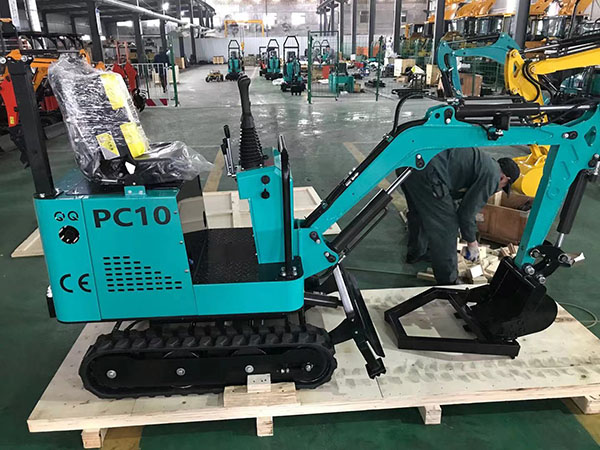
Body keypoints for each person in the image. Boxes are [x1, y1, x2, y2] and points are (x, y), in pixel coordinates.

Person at [400, 148, 520, 285]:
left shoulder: (482, 162)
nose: (498, 189)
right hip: (429, 172)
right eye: (503, 186)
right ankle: (449, 281)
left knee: (420, 212)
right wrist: (471, 242)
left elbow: (456, 197)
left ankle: (417, 252)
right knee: (447, 227)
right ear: (504, 178)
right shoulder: (492, 176)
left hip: (410, 164)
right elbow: (467, 213)